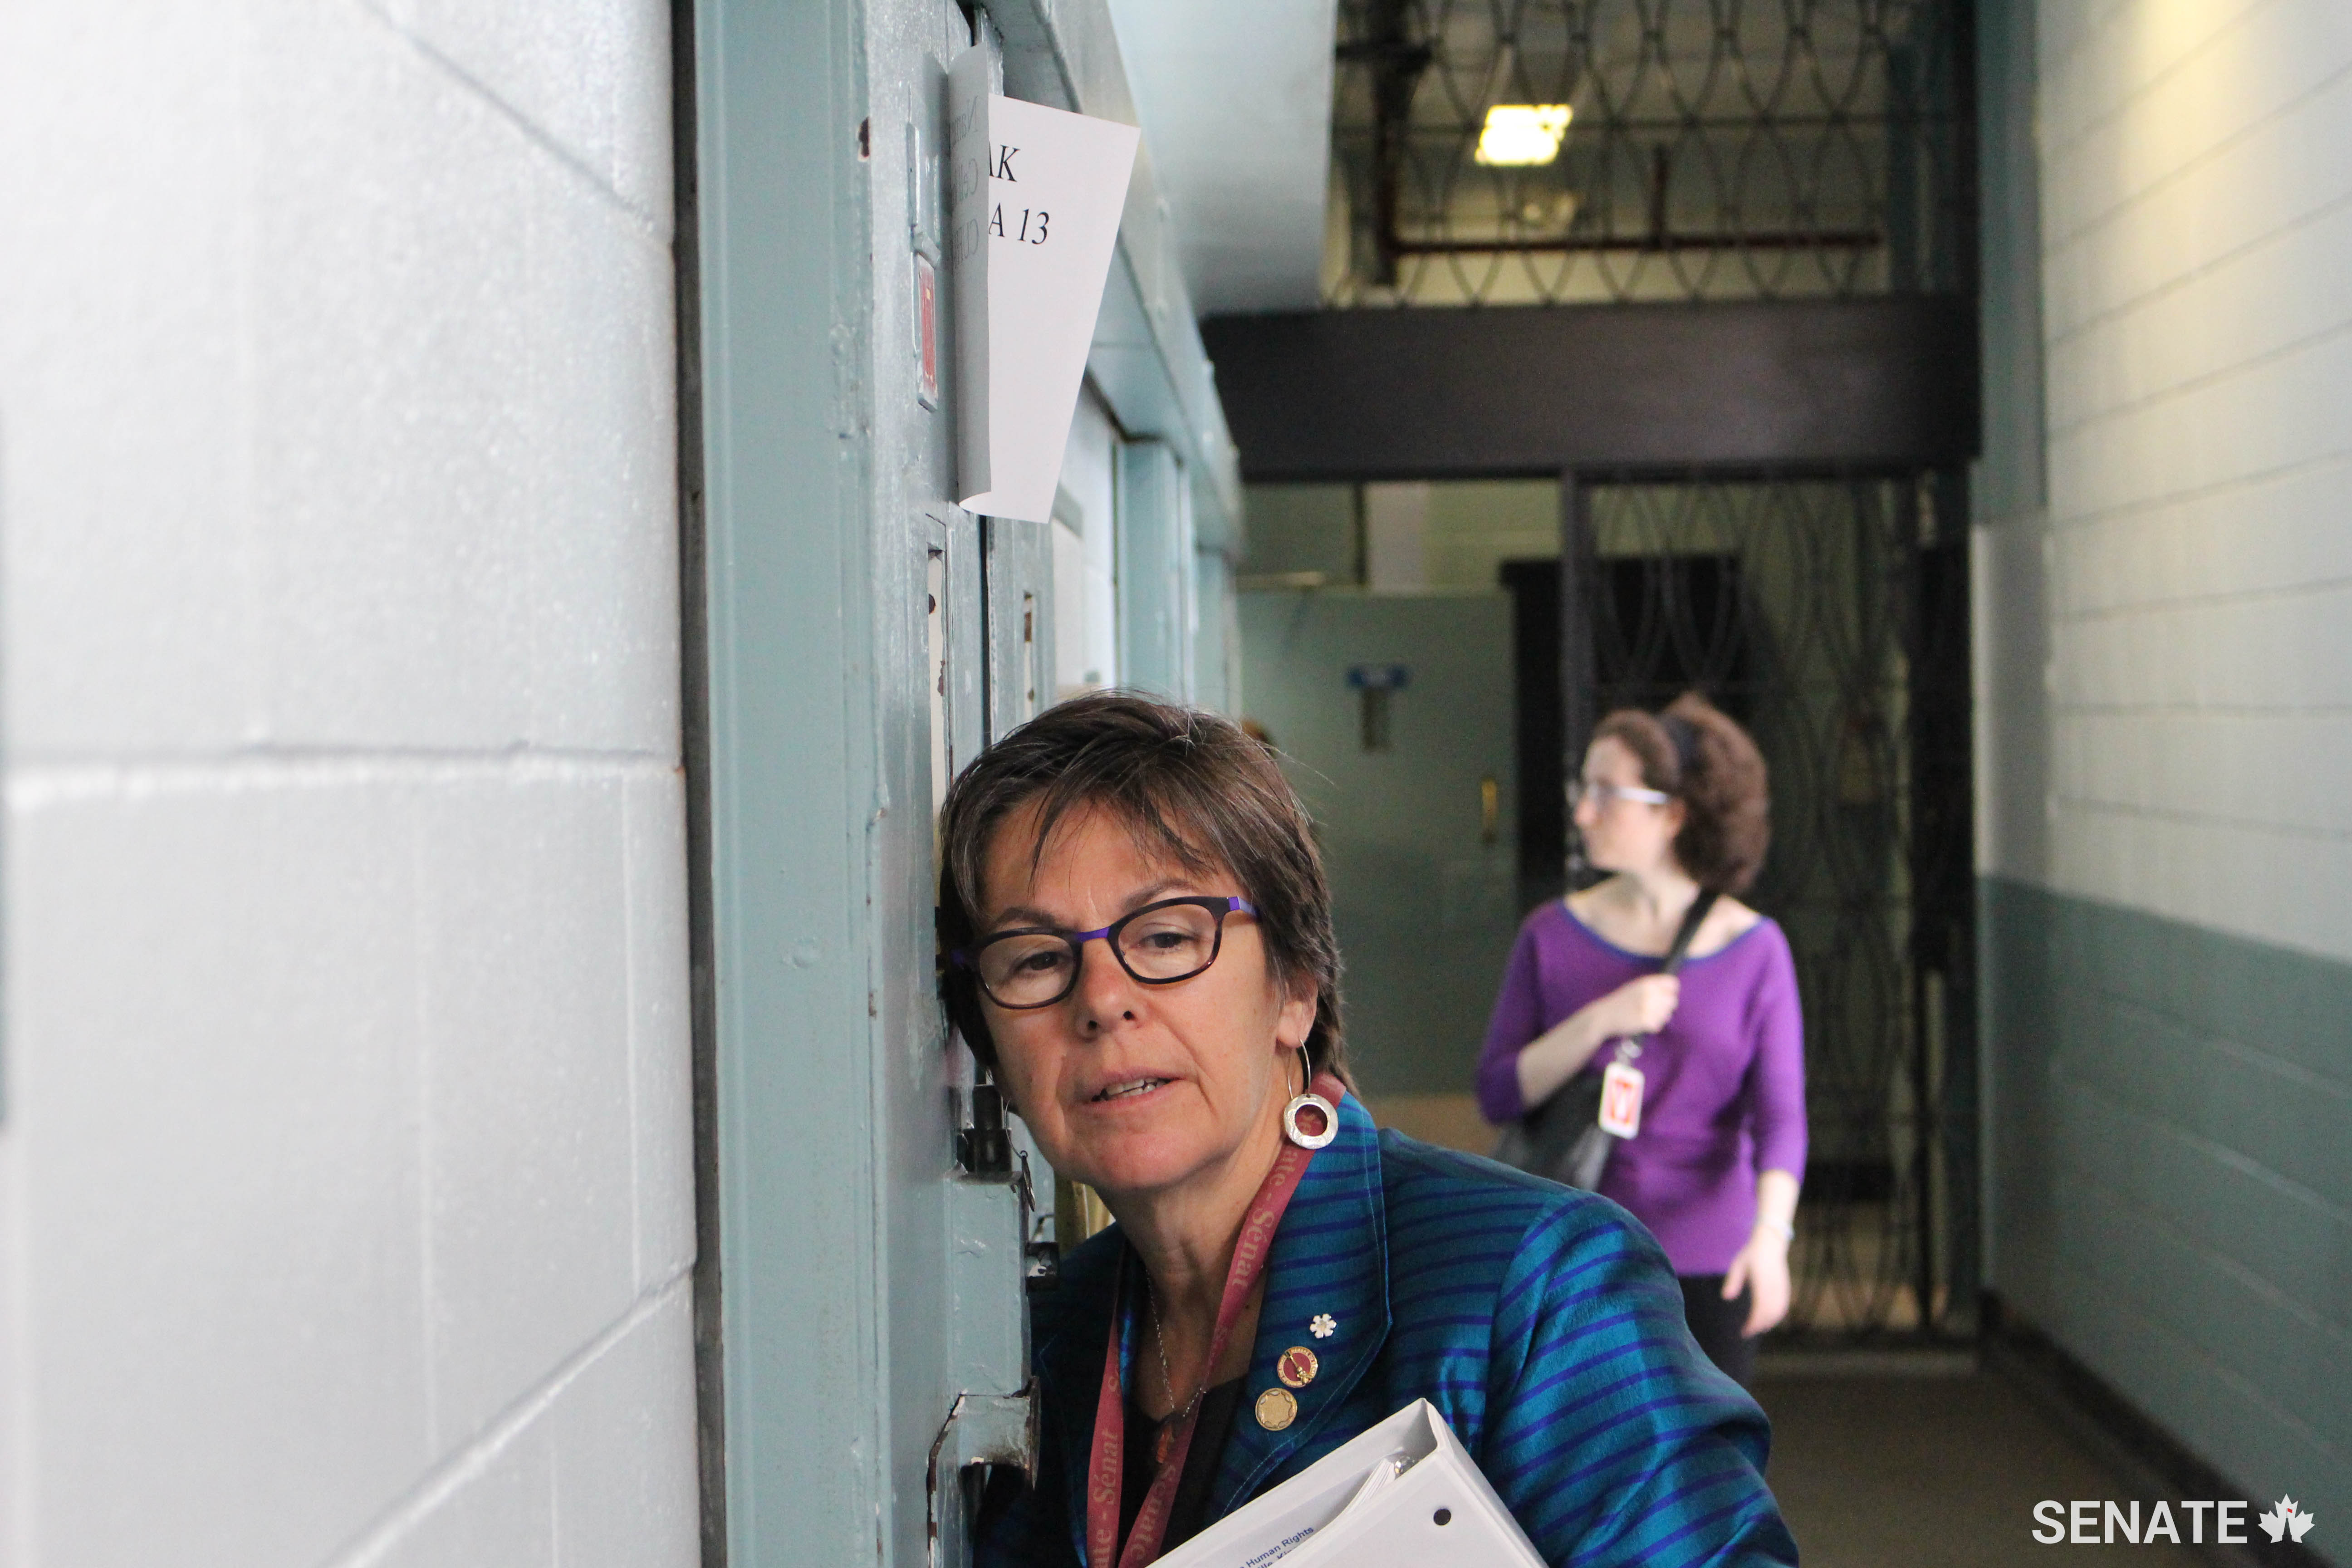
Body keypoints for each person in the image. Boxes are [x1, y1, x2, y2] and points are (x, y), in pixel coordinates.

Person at [946, 691, 1796, 1567]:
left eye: (1166, 938)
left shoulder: (1536, 1289)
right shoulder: (1051, 1340)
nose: (1102, 1002)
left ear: (1296, 989)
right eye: (1038, 960)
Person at [1477, 692, 1805, 1389]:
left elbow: (1781, 1119)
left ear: (1672, 814)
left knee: (1706, 1477)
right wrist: (1600, 1020)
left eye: (1605, 792)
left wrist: (1772, 1240)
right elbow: (1499, 1091)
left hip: (1712, 1257)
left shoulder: (1756, 949)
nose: (1582, 810)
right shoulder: (1552, 935)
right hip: (1581, 1253)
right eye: (1582, 788)